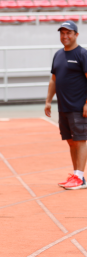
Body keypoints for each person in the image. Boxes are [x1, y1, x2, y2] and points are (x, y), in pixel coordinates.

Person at [46, 20, 87, 190]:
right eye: (62, 33)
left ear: (76, 35)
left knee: (81, 140)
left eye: (69, 33)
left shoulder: (82, 54)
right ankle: (75, 175)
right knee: (71, 141)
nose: (65, 36)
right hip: (63, 107)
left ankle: (80, 177)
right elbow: (54, 80)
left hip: (78, 106)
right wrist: (48, 101)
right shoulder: (58, 55)